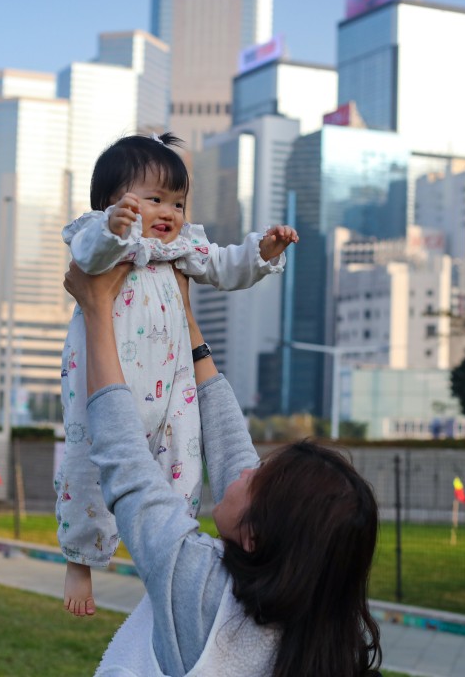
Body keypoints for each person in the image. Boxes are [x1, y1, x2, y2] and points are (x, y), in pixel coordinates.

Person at [64, 262, 382, 677]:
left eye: (256, 480)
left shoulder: (201, 592)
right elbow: (231, 443)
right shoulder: (320, 629)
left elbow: (126, 461)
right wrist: (186, 317)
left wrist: (97, 310)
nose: (244, 472)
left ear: (254, 538)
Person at [56, 132, 298, 617]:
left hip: (175, 390)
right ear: (111, 204)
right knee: (89, 465)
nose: (169, 212)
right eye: (154, 200)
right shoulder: (99, 236)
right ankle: (81, 558)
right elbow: (88, 258)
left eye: (178, 202)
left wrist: (263, 252)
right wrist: (115, 229)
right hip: (107, 385)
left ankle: (170, 557)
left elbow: (226, 265)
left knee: (183, 467)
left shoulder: (180, 249)